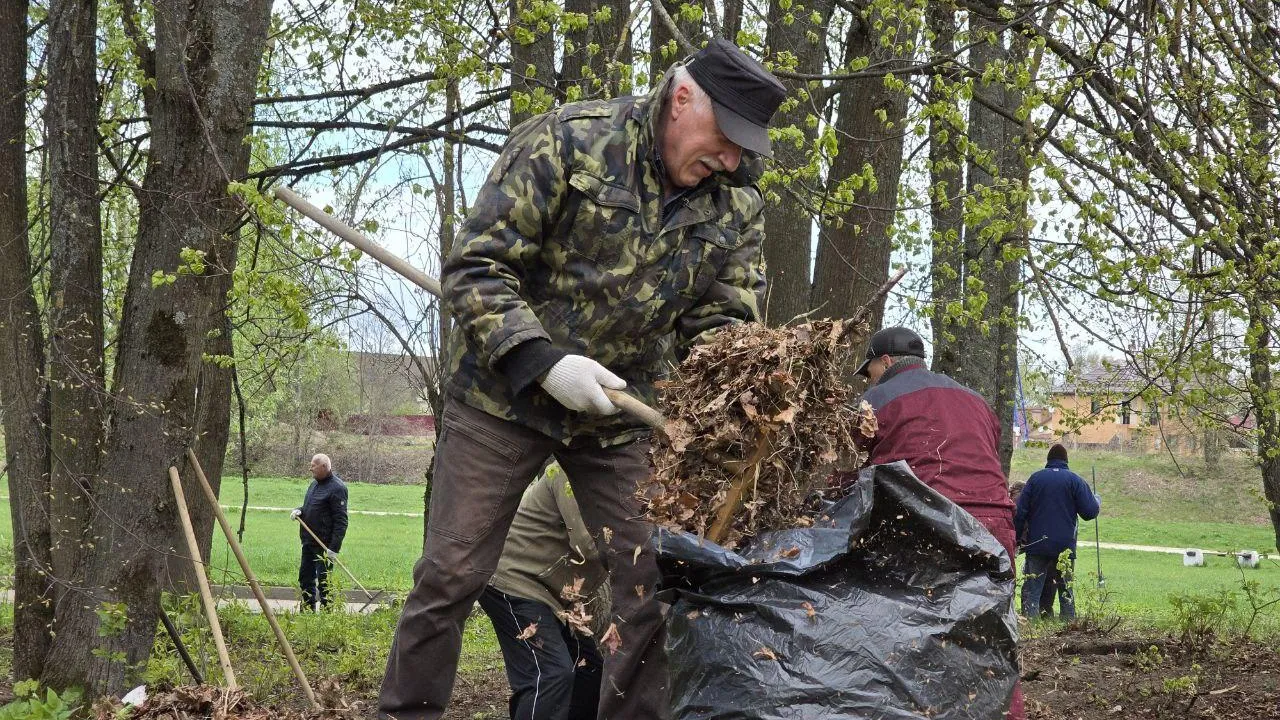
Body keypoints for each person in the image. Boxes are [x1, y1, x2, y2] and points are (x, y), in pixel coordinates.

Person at [378, 39, 786, 720]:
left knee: (655, 582)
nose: (730, 160)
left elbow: (722, 325)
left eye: (743, 149)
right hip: (502, 394)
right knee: (452, 572)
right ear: (683, 99)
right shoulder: (570, 142)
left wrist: (733, 396)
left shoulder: (736, 204)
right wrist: (542, 361)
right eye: (725, 139)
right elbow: (476, 269)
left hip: (622, 410)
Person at [855, 326, 1024, 720]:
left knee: (916, 637)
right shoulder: (975, 399)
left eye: (870, 370)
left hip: (931, 521)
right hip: (994, 523)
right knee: (995, 635)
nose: (869, 380)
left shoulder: (874, 401)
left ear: (886, 361)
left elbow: (849, 470)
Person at [481, 464, 607, 720]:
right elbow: (587, 545)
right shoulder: (568, 471)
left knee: (589, 670)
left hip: (548, 592)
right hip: (513, 581)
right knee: (549, 675)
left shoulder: (617, 478)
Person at [1014, 443, 1101, 620]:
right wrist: (1096, 500)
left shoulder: (1035, 479)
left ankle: (1030, 624)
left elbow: (1020, 512)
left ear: (1048, 460)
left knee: (1032, 589)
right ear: (1066, 461)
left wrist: (1015, 538)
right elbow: (1090, 512)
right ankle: (1068, 624)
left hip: (1038, 544)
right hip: (1064, 546)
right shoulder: (1075, 481)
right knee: (1066, 590)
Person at [291, 453, 349, 611]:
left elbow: (341, 521)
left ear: (324, 466)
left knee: (324, 582)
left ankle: (326, 613)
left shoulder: (338, 488)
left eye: (313, 465)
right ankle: (308, 610)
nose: (310, 468)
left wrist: (334, 548)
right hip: (308, 541)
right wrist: (300, 511)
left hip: (324, 545)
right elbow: (311, 508)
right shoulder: (314, 485)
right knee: (305, 578)